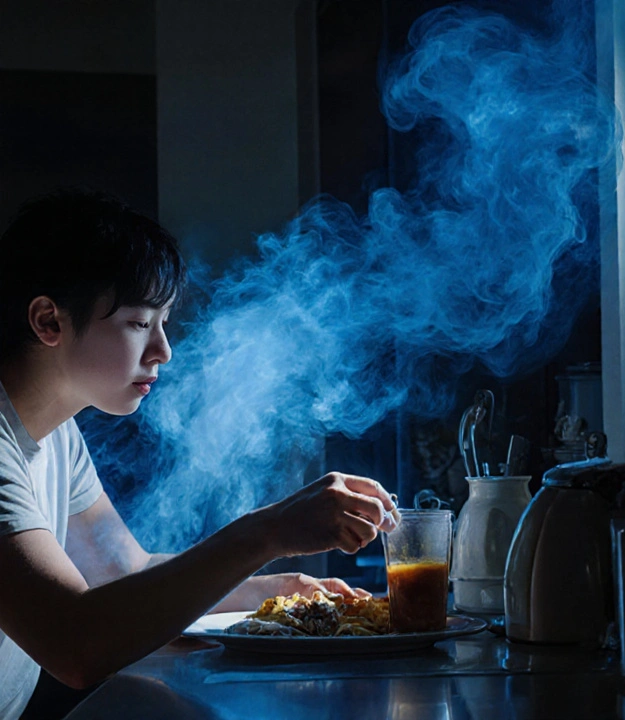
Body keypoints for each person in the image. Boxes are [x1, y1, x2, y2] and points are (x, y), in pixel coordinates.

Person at [0, 190, 400, 719]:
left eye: (163, 322)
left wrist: (274, 590)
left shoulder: (59, 437)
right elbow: (77, 645)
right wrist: (269, 532)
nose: (164, 349)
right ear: (48, 321)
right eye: (140, 323)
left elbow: (124, 573)